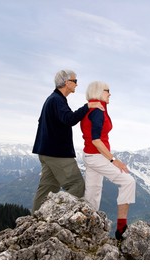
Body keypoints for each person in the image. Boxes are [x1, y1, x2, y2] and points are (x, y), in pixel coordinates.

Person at [32, 70, 104, 213]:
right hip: (57, 153)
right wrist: (87, 106)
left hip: (45, 152)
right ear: (67, 83)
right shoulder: (57, 100)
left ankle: (36, 218)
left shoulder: (52, 99)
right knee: (77, 185)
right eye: (75, 81)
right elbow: (69, 119)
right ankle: (57, 214)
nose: (77, 84)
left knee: (47, 187)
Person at [80, 81, 136, 241]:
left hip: (90, 155)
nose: (110, 94)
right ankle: (121, 228)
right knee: (128, 181)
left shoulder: (91, 107)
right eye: (107, 91)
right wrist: (114, 160)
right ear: (98, 92)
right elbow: (97, 140)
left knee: (93, 192)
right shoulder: (98, 111)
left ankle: (87, 229)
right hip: (97, 156)